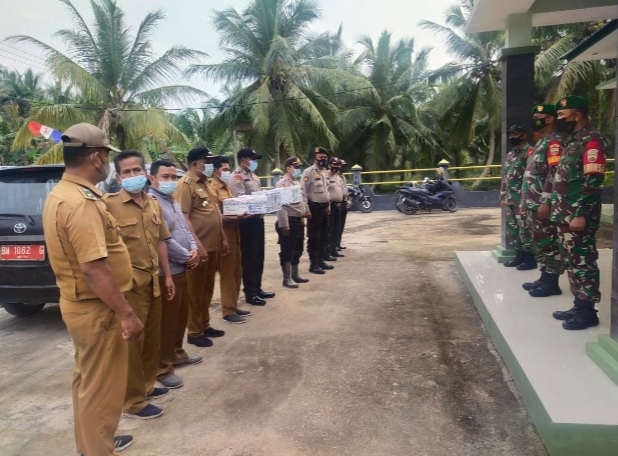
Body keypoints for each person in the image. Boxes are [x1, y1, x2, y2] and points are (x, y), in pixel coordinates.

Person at [42, 123, 143, 455]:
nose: (107, 163)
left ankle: (91, 445)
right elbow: (94, 268)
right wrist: (126, 314)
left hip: (84, 306)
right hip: (98, 310)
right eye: (106, 157)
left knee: (89, 385)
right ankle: (98, 448)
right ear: (97, 158)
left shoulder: (62, 193)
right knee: (103, 391)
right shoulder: (81, 202)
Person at [103, 150, 175, 420]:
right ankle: (132, 402)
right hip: (129, 285)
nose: (132, 175)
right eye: (127, 172)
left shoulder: (153, 204)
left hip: (153, 280)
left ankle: (146, 385)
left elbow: (161, 241)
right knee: (132, 345)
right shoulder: (108, 205)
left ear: (145, 173)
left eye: (137, 170)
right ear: (118, 177)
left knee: (151, 340)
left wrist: (167, 276)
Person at [549, 95, 609, 330]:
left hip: (578, 215)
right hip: (565, 214)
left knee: (583, 262)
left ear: (577, 115)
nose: (558, 119)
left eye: (562, 115)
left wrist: (581, 213)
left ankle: (588, 312)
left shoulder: (591, 141)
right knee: (572, 262)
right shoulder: (573, 141)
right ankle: (579, 304)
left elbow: (593, 180)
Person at [147, 160, 204, 390]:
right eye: (165, 177)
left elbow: (185, 230)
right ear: (152, 179)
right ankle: (163, 368)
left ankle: (177, 354)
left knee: (181, 316)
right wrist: (186, 255)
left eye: (173, 177)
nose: (171, 181)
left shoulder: (173, 200)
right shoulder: (152, 203)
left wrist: (193, 248)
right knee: (167, 322)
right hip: (167, 271)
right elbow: (163, 239)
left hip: (183, 267)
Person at [174, 146, 229, 346]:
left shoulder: (206, 183)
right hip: (199, 248)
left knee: (207, 289)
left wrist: (223, 238)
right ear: (196, 163)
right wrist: (197, 246)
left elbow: (215, 213)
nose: (209, 165)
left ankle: (205, 324)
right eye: (207, 162)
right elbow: (184, 217)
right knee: (194, 292)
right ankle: (194, 332)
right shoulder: (185, 185)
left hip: (213, 245)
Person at [520, 104, 564, 297]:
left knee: (548, 242)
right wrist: (524, 202)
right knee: (540, 242)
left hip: (542, 203)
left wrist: (546, 201)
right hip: (532, 202)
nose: (534, 121)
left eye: (538, 117)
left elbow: (554, 174)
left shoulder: (554, 143)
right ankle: (545, 276)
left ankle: (552, 282)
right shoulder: (542, 142)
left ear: (550, 119)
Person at [230, 148, 275, 305]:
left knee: (258, 256)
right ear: (244, 160)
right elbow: (241, 200)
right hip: (247, 221)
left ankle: (258, 288)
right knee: (249, 257)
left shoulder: (253, 176)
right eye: (252, 159)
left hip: (258, 219)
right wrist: (261, 201)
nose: (254, 162)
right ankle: (250, 292)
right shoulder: (237, 177)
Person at [211, 156, 253, 323]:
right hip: (224, 235)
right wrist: (236, 218)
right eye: (224, 170)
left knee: (237, 272)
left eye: (228, 169)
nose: (227, 172)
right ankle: (228, 310)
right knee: (228, 274)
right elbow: (215, 216)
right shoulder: (213, 188)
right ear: (215, 170)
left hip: (235, 233)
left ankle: (233, 305)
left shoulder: (226, 187)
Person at [500, 125, 536, 270]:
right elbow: (505, 178)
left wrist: (526, 200)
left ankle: (530, 259)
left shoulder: (530, 152)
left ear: (523, 135)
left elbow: (530, 178)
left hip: (522, 200)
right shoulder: (510, 155)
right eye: (510, 134)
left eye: (515, 134)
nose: (511, 137)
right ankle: (519, 256)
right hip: (510, 199)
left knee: (525, 229)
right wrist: (503, 197)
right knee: (513, 230)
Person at [275, 157, 311, 288]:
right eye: (296, 167)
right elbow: (280, 205)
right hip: (289, 221)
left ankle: (295, 275)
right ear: (288, 168)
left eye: (299, 167)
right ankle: (287, 278)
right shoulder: (282, 184)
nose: (298, 169)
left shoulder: (297, 182)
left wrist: (306, 211)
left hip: (299, 220)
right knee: (287, 250)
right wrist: (284, 224)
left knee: (298, 249)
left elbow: (303, 199)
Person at [301, 146, 334, 274]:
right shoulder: (308, 172)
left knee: (324, 236)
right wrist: (306, 209)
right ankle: (313, 264)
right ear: (315, 158)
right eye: (321, 157)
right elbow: (303, 192)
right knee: (314, 237)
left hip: (325, 207)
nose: (323, 159)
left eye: (325, 157)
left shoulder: (325, 172)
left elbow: (327, 191)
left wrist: (328, 206)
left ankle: (320, 261)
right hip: (314, 208)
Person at [327, 157, 345, 259]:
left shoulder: (338, 177)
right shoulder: (326, 176)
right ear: (329, 165)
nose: (336, 167)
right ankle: (328, 251)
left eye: (338, 165)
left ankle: (334, 250)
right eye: (334, 164)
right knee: (329, 230)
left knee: (336, 229)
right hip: (331, 206)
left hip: (339, 205)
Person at [337, 158, 349, 251]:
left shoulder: (342, 176)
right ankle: (334, 245)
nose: (343, 167)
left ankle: (338, 243)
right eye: (342, 165)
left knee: (341, 225)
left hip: (344, 202)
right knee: (336, 225)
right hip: (338, 203)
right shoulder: (335, 177)